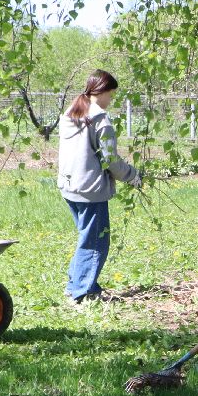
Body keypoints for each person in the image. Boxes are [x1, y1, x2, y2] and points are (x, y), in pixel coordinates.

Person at [56, 70, 142, 303]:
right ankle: (83, 292)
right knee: (95, 242)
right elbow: (111, 160)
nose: (111, 101)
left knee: (86, 237)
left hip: (69, 185)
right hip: (90, 189)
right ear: (102, 92)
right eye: (111, 95)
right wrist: (133, 176)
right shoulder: (99, 119)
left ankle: (76, 284)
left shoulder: (73, 111)